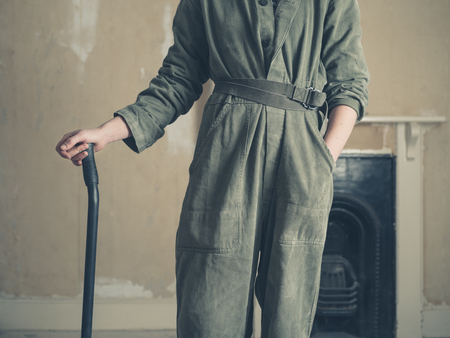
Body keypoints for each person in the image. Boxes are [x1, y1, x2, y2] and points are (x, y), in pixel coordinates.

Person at [56, 0, 369, 337]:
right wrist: (109, 130)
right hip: (226, 151)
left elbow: (349, 84)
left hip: (302, 157)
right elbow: (178, 78)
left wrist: (323, 159)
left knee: (290, 310)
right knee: (209, 305)